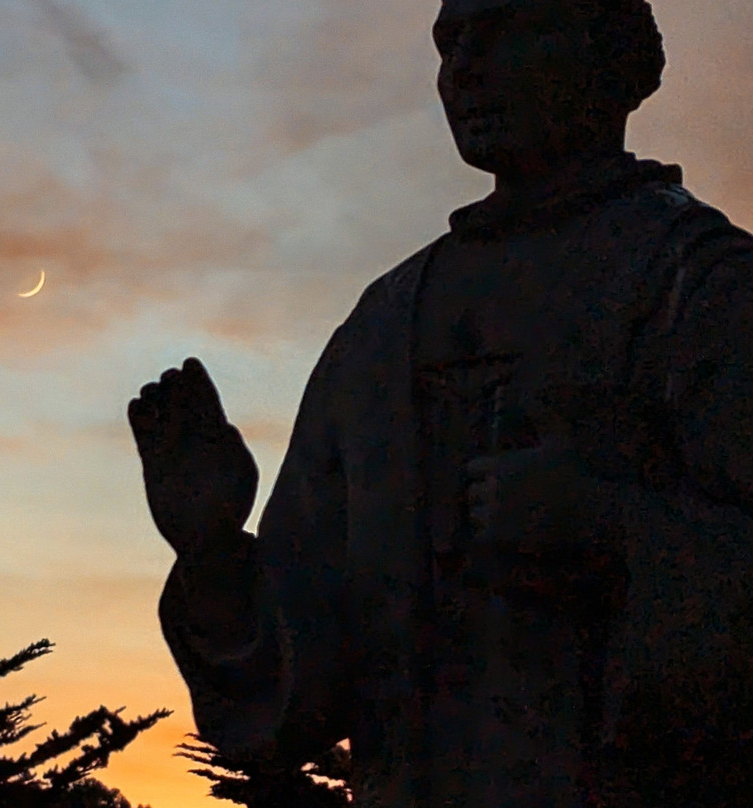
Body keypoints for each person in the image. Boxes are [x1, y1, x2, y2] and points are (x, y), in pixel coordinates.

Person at [127, 1, 753, 805]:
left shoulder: (703, 287)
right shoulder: (384, 326)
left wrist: (611, 530)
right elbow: (301, 690)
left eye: (507, 30)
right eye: (450, 42)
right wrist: (213, 554)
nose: (466, 69)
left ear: (613, 55)